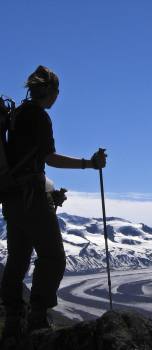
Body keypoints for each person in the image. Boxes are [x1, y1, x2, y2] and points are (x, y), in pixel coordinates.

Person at [0, 65, 107, 341]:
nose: (57, 97)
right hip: (31, 197)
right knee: (53, 257)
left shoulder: (16, 114)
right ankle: (37, 316)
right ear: (50, 91)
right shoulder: (38, 117)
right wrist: (89, 164)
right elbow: (49, 158)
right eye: (57, 91)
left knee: (18, 259)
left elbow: (22, 163)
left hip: (11, 198)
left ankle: (12, 320)